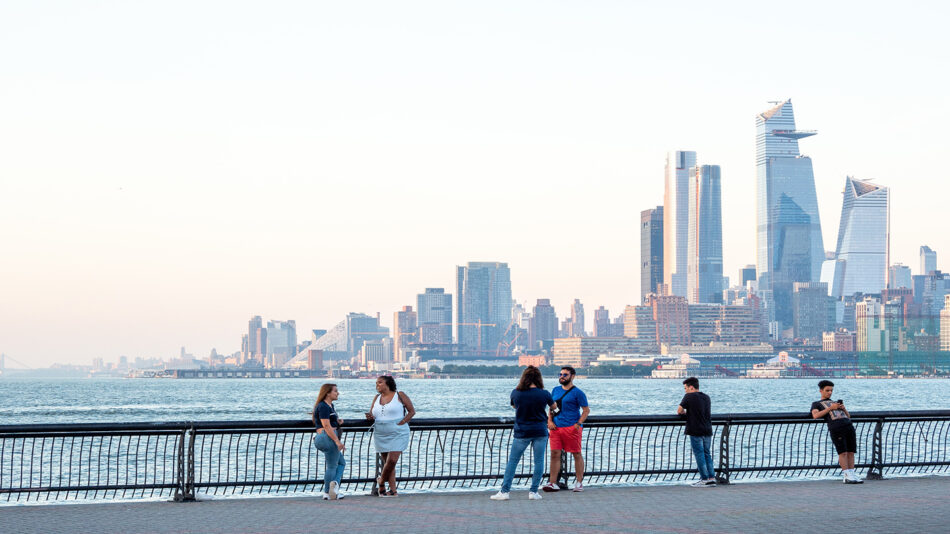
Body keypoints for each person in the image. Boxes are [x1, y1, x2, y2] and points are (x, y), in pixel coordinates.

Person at [491, 366, 555, 501]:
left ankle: (505, 491)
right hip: (540, 431)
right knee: (539, 462)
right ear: (539, 378)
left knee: (513, 462)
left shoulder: (516, 393)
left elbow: (514, 406)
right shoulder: (544, 394)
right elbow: (554, 407)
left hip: (522, 431)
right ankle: (533, 492)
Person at [541, 365, 589, 493]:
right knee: (554, 454)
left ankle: (579, 482)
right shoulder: (555, 390)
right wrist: (549, 421)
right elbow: (551, 408)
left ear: (572, 376)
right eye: (560, 374)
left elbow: (586, 410)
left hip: (572, 427)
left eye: (565, 375)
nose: (561, 377)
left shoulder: (578, 392)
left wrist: (578, 424)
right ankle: (552, 483)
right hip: (556, 428)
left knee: (576, 453)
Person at [366, 375, 416, 497]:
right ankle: (393, 491)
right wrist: (370, 417)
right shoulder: (377, 398)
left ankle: (381, 482)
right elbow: (372, 412)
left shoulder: (400, 395)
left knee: (392, 460)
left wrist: (402, 422)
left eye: (380, 382)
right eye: (376, 383)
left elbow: (412, 411)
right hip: (380, 432)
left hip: (397, 432)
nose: (377, 385)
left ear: (388, 383)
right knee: (388, 463)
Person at [811, 380, 863, 484]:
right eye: (827, 390)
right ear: (821, 391)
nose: (830, 392)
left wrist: (843, 409)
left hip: (848, 426)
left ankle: (852, 473)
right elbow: (815, 415)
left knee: (851, 451)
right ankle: (847, 475)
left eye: (831, 390)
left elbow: (848, 416)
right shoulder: (816, 404)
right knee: (842, 452)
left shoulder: (836, 403)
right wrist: (830, 408)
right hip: (836, 428)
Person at [677, 376, 715, 487]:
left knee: (699, 454)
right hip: (707, 429)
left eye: (685, 388)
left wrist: (685, 413)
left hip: (695, 429)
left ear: (691, 387)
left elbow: (679, 410)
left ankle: (704, 479)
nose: (685, 390)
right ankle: (711, 477)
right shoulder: (706, 397)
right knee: (707, 453)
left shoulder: (689, 396)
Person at [313, 383, 346, 500]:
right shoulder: (323, 406)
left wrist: (337, 421)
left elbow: (330, 422)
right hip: (327, 437)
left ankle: (334, 487)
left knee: (341, 463)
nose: (338, 393)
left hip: (325, 436)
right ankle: (328, 492)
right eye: (335, 391)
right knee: (332, 466)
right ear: (327, 393)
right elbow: (326, 425)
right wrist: (337, 442)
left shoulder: (330, 406)